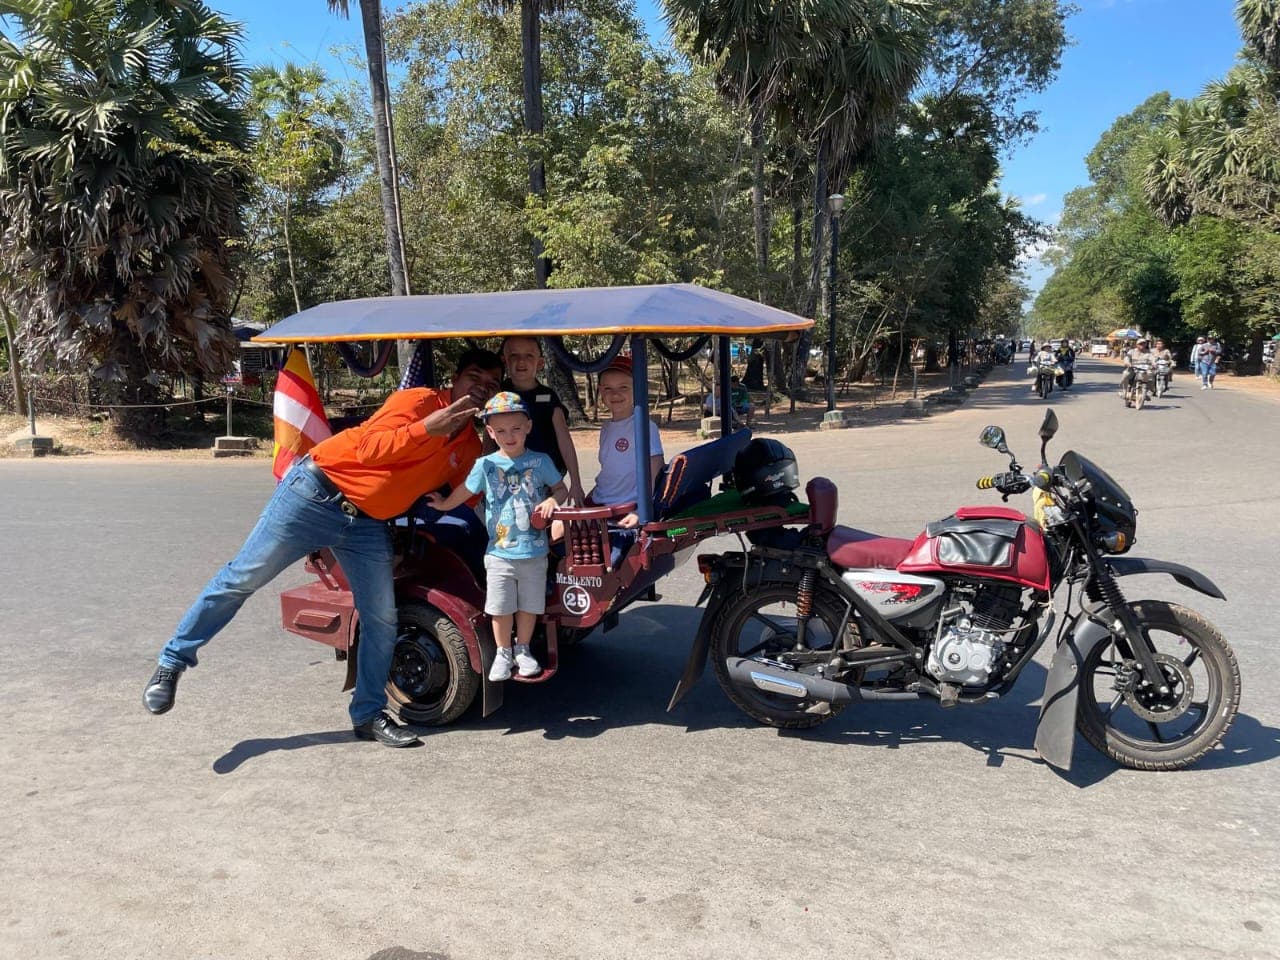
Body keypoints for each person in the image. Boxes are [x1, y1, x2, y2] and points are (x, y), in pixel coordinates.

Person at [142, 349, 504, 747]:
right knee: (242, 578)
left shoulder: (470, 445)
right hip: (315, 494)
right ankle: (172, 661)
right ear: (455, 378)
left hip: (367, 525)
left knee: (381, 618)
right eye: (474, 378)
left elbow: (470, 495)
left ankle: (367, 716)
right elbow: (369, 450)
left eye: (491, 385)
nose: (481, 389)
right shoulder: (418, 401)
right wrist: (426, 430)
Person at [427, 392, 567, 681]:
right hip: (500, 553)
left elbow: (560, 489)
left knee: (529, 606)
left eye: (516, 428)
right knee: (501, 607)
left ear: (528, 426)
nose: (509, 435)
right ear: (489, 432)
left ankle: (523, 649)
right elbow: (466, 491)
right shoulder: (485, 465)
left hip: (535, 551)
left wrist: (554, 501)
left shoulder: (541, 462)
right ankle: (503, 652)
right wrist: (443, 504)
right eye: (500, 430)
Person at [499, 336, 586, 505]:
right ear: (505, 361)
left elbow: (565, 440)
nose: (521, 361)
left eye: (529, 356)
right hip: (510, 474)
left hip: (546, 476)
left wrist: (576, 482)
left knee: (542, 518)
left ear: (540, 363)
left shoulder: (549, 398)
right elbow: (490, 439)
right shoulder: (500, 396)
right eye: (514, 355)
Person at [590, 355, 664, 528]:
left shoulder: (644, 426)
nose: (615, 394)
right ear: (600, 392)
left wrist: (643, 510)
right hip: (601, 500)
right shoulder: (606, 427)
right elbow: (610, 472)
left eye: (623, 387)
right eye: (608, 388)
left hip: (625, 507)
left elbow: (656, 470)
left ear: (637, 389)